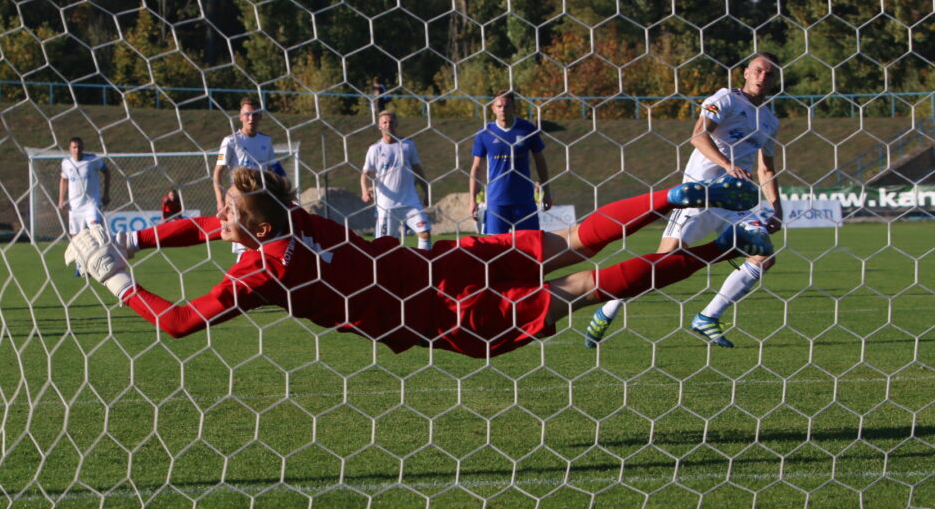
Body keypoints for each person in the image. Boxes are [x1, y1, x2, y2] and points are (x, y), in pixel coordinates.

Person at [66, 168, 772, 360]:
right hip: (440, 262)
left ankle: (723, 247)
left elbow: (180, 322)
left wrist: (118, 278)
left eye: (226, 211)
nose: (215, 217)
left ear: (254, 227)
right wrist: (137, 239)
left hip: (442, 312)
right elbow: (205, 224)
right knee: (575, 241)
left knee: (580, 285)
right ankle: (669, 196)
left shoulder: (264, 270)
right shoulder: (294, 218)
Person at [584, 52, 783, 349]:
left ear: (775, 79)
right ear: (745, 72)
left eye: (769, 73)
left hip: (735, 202)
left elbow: (766, 169)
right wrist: (728, 165)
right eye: (757, 70)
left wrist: (777, 209)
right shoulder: (726, 99)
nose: (762, 77)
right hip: (699, 195)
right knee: (663, 265)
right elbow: (698, 136)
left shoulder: (769, 120)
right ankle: (609, 308)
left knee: (763, 255)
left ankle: (708, 317)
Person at [212, 97, 286, 260]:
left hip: (262, 202)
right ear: (240, 117)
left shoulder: (266, 141)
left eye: (255, 114)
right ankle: (241, 274)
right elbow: (218, 172)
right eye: (247, 114)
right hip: (240, 203)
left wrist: (285, 190)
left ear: (260, 116)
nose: (251, 118)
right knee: (244, 247)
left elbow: (275, 169)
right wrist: (220, 201)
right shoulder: (230, 141)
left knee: (265, 246)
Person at [469, 91, 553, 234]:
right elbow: (476, 167)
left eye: (507, 106)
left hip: (524, 200)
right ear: (493, 108)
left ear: (514, 107)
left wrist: (547, 192)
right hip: (496, 202)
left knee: (528, 244)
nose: (503, 109)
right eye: (499, 106)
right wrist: (472, 199)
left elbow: (540, 161)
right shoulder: (485, 133)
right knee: (495, 246)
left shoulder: (527, 129)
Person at [360, 111, 432, 250]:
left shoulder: (407, 145)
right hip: (386, 205)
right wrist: (365, 190)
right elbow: (365, 173)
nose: (388, 125)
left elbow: (418, 170)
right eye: (385, 122)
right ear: (379, 126)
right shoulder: (375, 149)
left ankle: (424, 261)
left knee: (425, 233)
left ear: (397, 124)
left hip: (410, 202)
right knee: (385, 245)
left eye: (391, 122)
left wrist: (426, 191)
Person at [58, 137, 110, 237]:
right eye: (74, 147)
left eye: (79, 147)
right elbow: (64, 179)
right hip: (74, 206)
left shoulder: (92, 159)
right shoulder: (66, 163)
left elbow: (106, 171)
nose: (77, 150)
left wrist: (106, 193)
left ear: (83, 148)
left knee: (97, 233)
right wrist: (61, 199)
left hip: (92, 204)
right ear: (70, 149)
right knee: (75, 238)